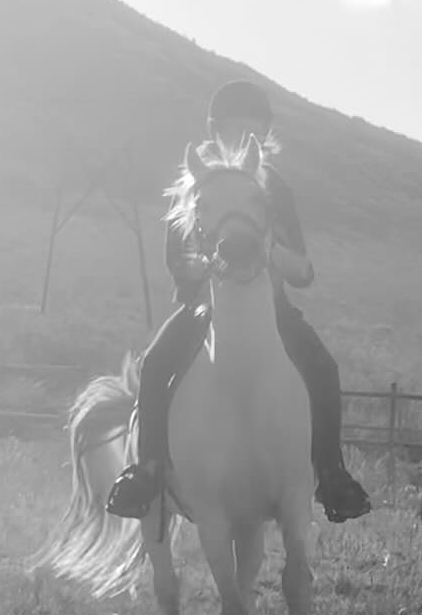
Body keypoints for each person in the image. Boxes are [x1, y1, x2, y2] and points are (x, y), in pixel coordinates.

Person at [106, 80, 371, 524]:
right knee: (154, 366)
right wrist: (211, 262)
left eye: (254, 133)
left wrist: (268, 254)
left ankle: (330, 471)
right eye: (235, 130)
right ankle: (147, 470)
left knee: (323, 368)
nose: (246, 141)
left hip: (271, 307)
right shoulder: (192, 187)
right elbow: (177, 263)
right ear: (214, 131)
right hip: (205, 308)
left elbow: (303, 271)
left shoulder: (276, 190)